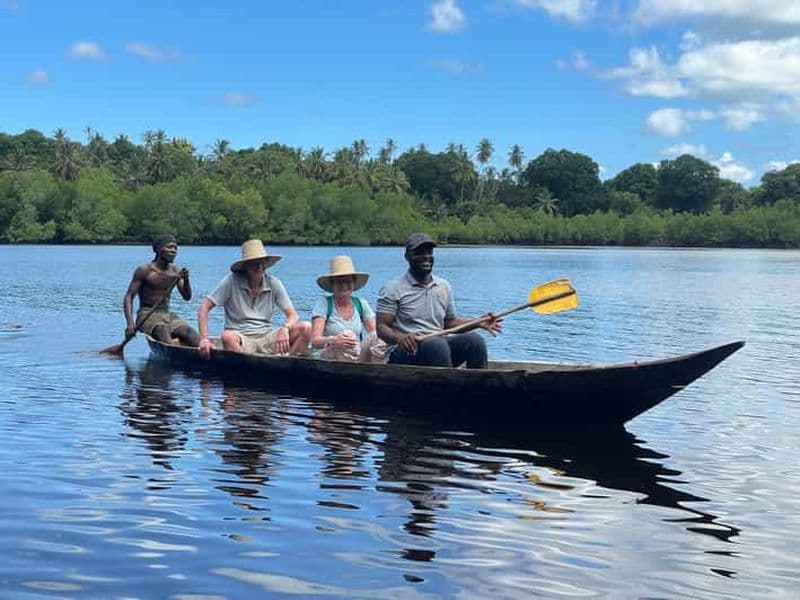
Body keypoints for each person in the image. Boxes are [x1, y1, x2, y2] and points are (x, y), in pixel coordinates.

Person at [376, 233, 502, 368]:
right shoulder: (392, 288)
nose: (426, 256)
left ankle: (479, 387)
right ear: (407, 257)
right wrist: (400, 338)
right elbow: (382, 327)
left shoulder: (443, 286)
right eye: (419, 253)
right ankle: (447, 387)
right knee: (436, 344)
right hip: (406, 352)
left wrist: (478, 323)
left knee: (475, 341)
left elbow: (450, 322)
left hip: (438, 350)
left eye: (429, 252)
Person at [197, 239, 311, 358]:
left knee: (306, 328)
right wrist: (204, 339)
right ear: (245, 266)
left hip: (266, 337)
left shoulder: (274, 283)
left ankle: (287, 367)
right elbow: (203, 308)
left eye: (262, 262)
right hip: (241, 338)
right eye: (254, 263)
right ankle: (242, 372)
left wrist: (285, 328)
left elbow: (293, 315)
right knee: (227, 336)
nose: (259, 267)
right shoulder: (231, 281)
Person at [122, 234, 201, 346]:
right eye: (169, 247)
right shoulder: (144, 270)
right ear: (158, 249)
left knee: (191, 334)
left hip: (167, 314)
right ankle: (173, 345)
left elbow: (187, 297)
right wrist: (130, 324)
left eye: (175, 248)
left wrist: (186, 280)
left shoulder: (176, 271)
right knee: (162, 330)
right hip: (147, 314)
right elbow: (129, 297)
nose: (173, 251)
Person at [309, 255, 386, 362]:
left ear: (353, 283)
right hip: (329, 357)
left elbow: (374, 331)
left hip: (356, 354)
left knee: (378, 337)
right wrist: (335, 340)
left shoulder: (361, 303)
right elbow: (315, 341)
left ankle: (378, 372)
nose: (344, 285)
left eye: (348, 281)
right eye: (339, 282)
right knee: (346, 335)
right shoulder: (324, 304)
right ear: (333, 284)